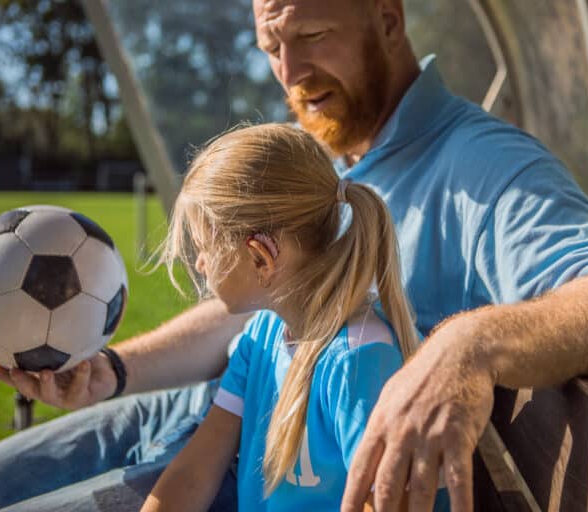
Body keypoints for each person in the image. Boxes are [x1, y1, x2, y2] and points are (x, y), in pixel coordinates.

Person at [0, 0, 588, 511]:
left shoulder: (481, 163)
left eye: (312, 34)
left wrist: (468, 344)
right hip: (217, 414)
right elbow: (251, 317)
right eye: (272, 45)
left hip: (270, 468)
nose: (290, 71)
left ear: (387, 20)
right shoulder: (337, 155)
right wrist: (112, 372)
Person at [139, 122, 447, 511]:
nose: (199, 264)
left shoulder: (359, 360)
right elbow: (195, 470)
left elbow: (387, 502)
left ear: (260, 258)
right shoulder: (262, 336)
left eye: (204, 248)